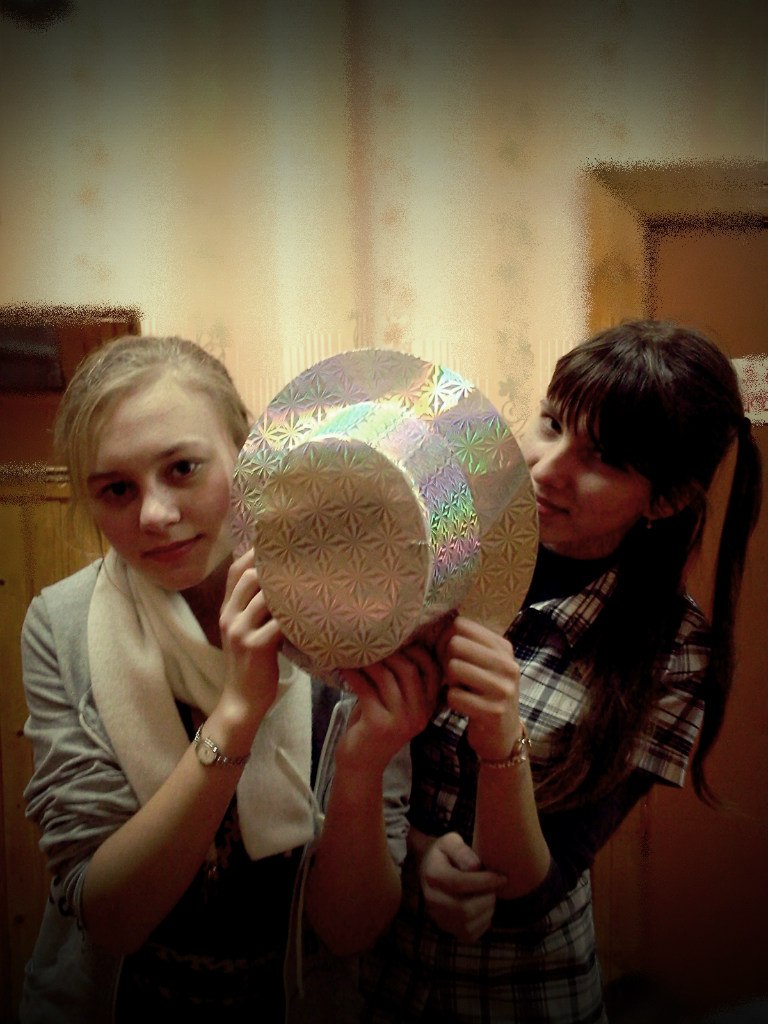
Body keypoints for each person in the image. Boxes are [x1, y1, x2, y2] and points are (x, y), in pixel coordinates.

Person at [347, 319, 762, 1024]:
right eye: (551, 424)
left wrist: (500, 744)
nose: (545, 468)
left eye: (603, 458)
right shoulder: (441, 551)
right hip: (370, 977)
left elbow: (545, 879)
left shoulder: (675, 651)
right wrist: (416, 849)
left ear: (666, 499)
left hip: (526, 993)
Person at [18, 334, 437, 1024]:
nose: (154, 515)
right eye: (117, 489)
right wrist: (239, 712)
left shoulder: (348, 619)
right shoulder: (60, 625)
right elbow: (110, 918)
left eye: (182, 468)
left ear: (249, 455)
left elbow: (352, 931)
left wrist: (363, 764)